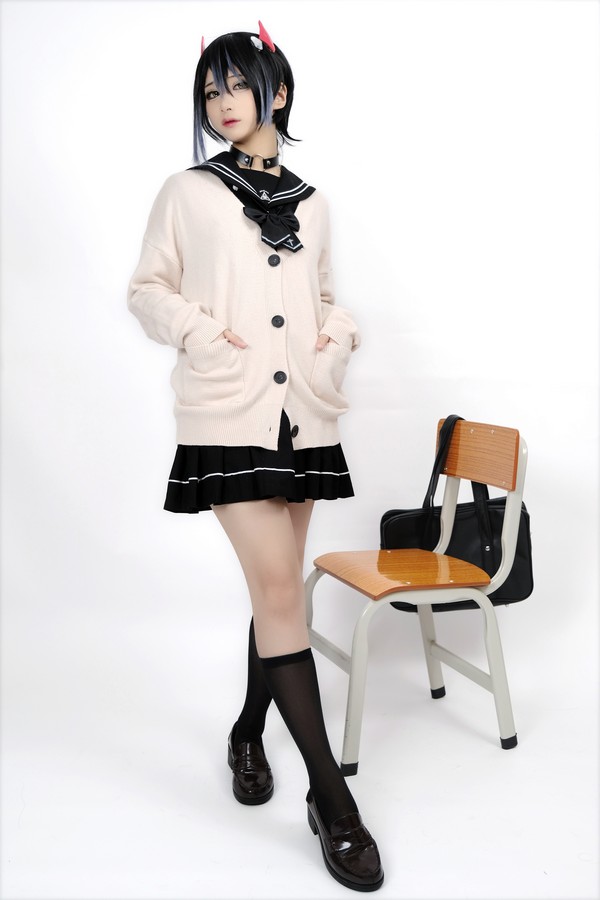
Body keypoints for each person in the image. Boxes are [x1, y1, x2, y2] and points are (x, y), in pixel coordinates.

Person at [127, 22, 383, 892]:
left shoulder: (313, 201)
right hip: (228, 410)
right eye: (210, 90)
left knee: (277, 597)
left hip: (302, 417)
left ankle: (246, 731)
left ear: (278, 91)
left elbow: (325, 296)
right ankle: (332, 803)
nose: (222, 103)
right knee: (279, 593)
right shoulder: (189, 192)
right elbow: (146, 288)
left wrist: (335, 339)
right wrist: (201, 333)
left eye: (236, 84)